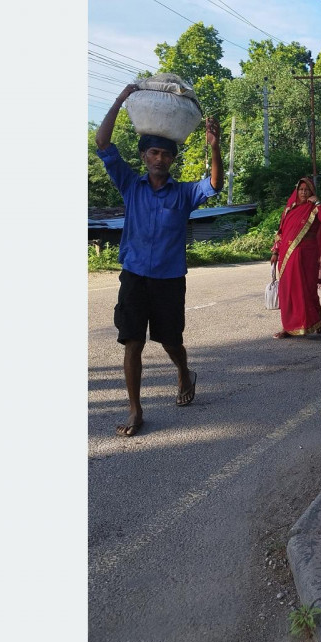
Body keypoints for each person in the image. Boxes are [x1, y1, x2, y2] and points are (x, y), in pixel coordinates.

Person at [94, 83, 224, 437]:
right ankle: (135, 410)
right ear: (145, 156)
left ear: (171, 159)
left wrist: (215, 149)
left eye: (166, 155)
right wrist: (121, 99)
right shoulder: (130, 185)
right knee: (132, 341)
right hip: (134, 275)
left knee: (170, 341)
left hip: (168, 279)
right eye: (153, 153)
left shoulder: (183, 193)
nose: (159, 159)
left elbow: (213, 184)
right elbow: (102, 143)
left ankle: (183, 370)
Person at [270, 176, 321, 338]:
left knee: (307, 290)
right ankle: (288, 327)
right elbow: (280, 232)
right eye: (301, 189)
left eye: (306, 189)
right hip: (287, 257)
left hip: (308, 256)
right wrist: (275, 251)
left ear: (311, 191)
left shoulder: (315, 208)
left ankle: (316, 319)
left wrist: (318, 203)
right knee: (287, 291)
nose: (303, 192)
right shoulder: (289, 209)